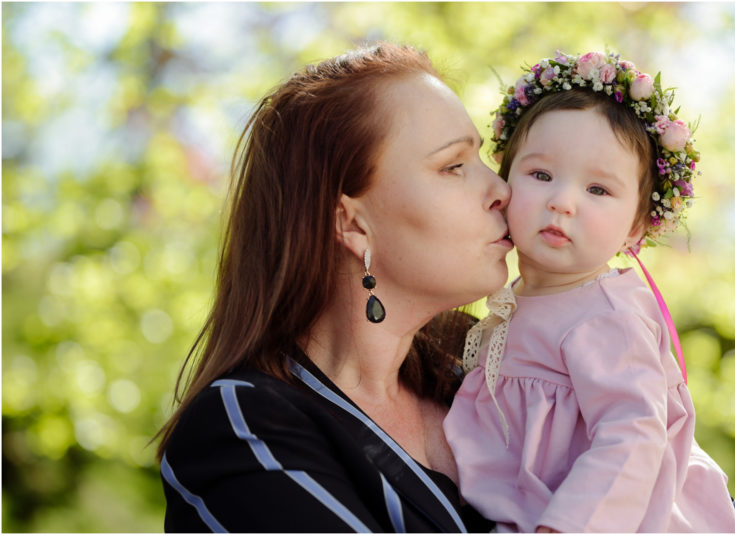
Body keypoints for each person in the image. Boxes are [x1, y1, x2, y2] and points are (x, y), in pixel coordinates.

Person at [155, 42, 513, 532]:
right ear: (353, 225)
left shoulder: (490, 366)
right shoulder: (245, 426)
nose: (501, 190)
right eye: (454, 166)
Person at [443, 51, 735, 532]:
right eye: (541, 175)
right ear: (504, 180)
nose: (562, 202)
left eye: (598, 190)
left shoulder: (606, 316)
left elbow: (633, 435)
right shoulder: (510, 298)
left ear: (636, 228)